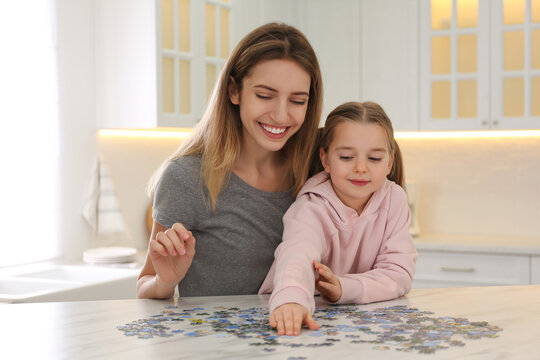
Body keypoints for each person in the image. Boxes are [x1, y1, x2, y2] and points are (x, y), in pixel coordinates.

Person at [136, 23, 323, 299]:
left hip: (304, 338)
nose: (281, 115)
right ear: (234, 90)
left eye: (297, 100)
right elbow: (146, 285)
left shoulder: (317, 170)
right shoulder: (186, 178)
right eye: (264, 95)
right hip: (215, 342)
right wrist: (166, 281)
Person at [259, 101, 417, 336]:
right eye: (346, 157)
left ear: (389, 162)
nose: (361, 168)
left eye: (374, 158)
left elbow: (398, 273)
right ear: (325, 160)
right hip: (294, 311)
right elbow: (296, 255)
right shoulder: (311, 207)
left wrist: (345, 288)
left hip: (363, 323)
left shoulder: (395, 199)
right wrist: (291, 300)